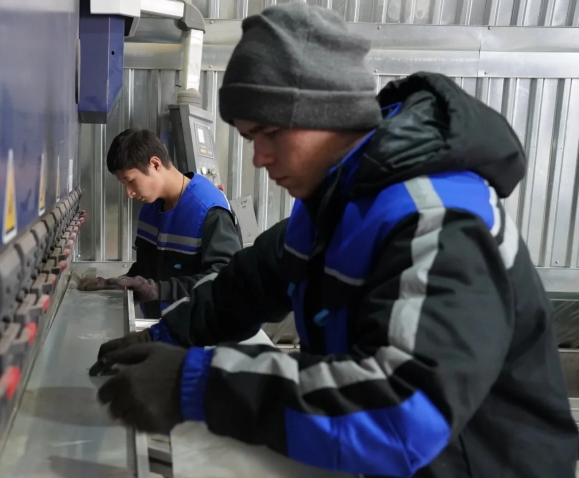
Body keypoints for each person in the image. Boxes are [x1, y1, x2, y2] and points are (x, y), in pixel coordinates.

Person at [88, 3, 578, 478]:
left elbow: (401, 413)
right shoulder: (333, 208)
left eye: (269, 133)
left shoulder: (440, 221)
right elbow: (243, 286)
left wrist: (196, 383)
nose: (259, 158)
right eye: (251, 138)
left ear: (328, 114)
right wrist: (158, 338)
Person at [79, 128, 242, 320]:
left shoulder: (208, 210)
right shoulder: (151, 207)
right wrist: (118, 284)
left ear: (155, 164)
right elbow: (148, 267)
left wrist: (158, 290)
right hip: (161, 324)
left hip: (201, 327)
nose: (129, 193)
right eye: (123, 184)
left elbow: (225, 279)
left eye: (130, 181)